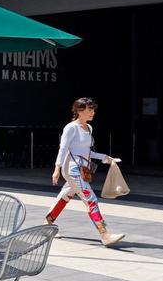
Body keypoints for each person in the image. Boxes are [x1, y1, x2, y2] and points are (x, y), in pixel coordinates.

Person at [48, 97, 125, 247]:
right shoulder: (71, 127)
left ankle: (48, 222)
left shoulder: (89, 128)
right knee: (90, 198)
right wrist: (57, 168)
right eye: (90, 110)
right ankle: (104, 234)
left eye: (93, 109)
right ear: (79, 111)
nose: (93, 113)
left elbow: (86, 152)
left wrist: (105, 158)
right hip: (71, 169)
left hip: (82, 169)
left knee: (66, 195)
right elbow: (63, 149)